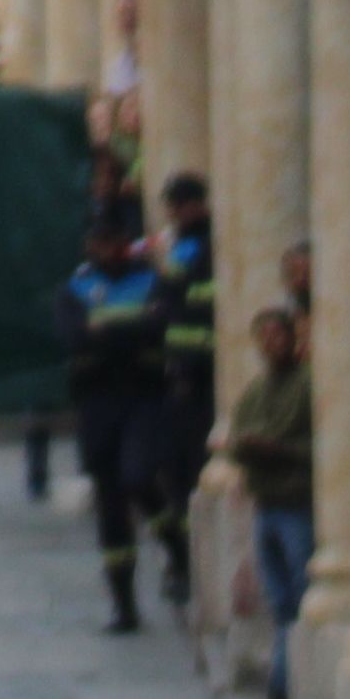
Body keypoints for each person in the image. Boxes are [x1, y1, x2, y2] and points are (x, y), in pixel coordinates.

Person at [61, 206, 175, 632]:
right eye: (99, 242)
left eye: (114, 241)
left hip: (143, 396)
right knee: (111, 506)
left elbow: (159, 326)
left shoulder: (150, 281)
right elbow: (73, 337)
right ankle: (123, 601)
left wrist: (102, 330)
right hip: (97, 403)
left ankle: (173, 542)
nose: (107, 249)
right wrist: (128, 328)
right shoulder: (77, 287)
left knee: (139, 477)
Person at [219, 302, 318, 699]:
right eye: (264, 338)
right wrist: (252, 448)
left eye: (279, 335)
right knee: (280, 604)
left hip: (296, 505)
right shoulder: (257, 392)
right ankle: (280, 697)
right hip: (268, 506)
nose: (271, 345)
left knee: (297, 603)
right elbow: (238, 440)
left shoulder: (308, 386)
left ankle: (285, 698)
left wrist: (275, 450)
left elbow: (315, 445)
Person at [152, 169, 221, 611]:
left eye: (179, 205)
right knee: (173, 474)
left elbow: (193, 306)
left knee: (189, 469)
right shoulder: (181, 246)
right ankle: (182, 559)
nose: (174, 215)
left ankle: (189, 564)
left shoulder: (204, 247)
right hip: (177, 375)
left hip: (199, 376)